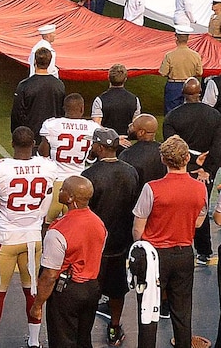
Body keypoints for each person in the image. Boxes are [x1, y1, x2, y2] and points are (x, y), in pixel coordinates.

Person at [0, 126, 56, 348]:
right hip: (33, 238)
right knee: (32, 292)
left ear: (12, 143)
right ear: (33, 143)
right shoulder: (47, 167)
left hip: (6, 238)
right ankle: (34, 341)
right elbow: (47, 201)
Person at [132, 135, 207, 348]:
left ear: (164, 160)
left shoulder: (152, 188)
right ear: (186, 159)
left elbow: (138, 228)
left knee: (148, 310)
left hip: (154, 256)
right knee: (182, 310)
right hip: (184, 253)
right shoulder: (199, 188)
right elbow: (199, 222)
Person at [29, 176, 106, 348]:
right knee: (83, 338)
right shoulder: (98, 223)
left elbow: (50, 275)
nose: (60, 191)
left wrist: (38, 304)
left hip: (66, 291)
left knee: (62, 341)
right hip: (91, 287)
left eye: (63, 189)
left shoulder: (59, 230)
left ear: (71, 198)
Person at [80, 127, 140, 344]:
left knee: (88, 290)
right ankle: (114, 327)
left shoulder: (89, 175)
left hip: (95, 245)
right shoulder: (131, 171)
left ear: (100, 147)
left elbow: (84, 212)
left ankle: (84, 332)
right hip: (120, 243)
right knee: (117, 289)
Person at [162, 77, 221, 265]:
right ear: (200, 94)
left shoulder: (173, 116)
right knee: (201, 207)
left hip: (182, 170)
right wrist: (208, 170)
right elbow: (218, 146)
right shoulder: (215, 116)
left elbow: (172, 147)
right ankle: (204, 251)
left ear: (182, 94)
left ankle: (178, 245)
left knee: (177, 208)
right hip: (206, 172)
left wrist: (190, 164)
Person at [39, 93, 100, 221]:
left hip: (56, 182)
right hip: (79, 183)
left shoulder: (51, 124)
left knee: (46, 224)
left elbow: (43, 153)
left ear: (64, 108)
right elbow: (91, 157)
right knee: (75, 223)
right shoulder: (93, 128)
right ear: (82, 109)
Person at [11, 47, 65, 146]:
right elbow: (61, 111)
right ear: (49, 62)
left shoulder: (25, 85)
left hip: (30, 136)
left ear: (35, 61)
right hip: (51, 137)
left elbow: (17, 113)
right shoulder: (59, 85)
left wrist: (16, 134)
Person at [159, 27, 202, 114]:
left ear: (176, 38)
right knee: (189, 111)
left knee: (171, 112)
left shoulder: (170, 55)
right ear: (187, 39)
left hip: (173, 86)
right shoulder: (196, 55)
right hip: (190, 85)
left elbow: (163, 73)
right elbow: (200, 72)